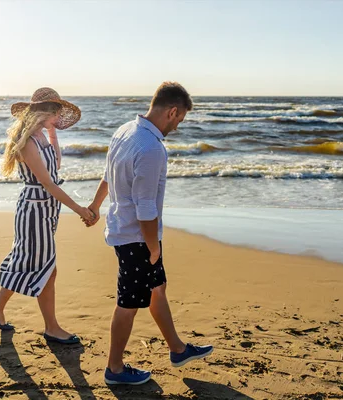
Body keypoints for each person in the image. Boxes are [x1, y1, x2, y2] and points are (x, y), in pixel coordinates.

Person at [86, 82, 213, 385]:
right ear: (172, 111)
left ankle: (178, 349)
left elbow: (108, 174)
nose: (178, 125)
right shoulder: (151, 148)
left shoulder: (125, 130)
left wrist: (94, 206)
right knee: (128, 304)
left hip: (128, 230)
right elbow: (145, 207)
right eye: (179, 119)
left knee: (158, 288)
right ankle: (114, 369)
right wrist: (152, 246)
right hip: (135, 237)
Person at [0, 88, 94, 345]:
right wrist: (79, 209)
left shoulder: (42, 135)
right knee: (47, 269)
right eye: (56, 113)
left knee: (27, 262)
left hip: (45, 210)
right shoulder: (27, 142)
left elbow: (55, 165)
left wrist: (53, 132)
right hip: (35, 210)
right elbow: (49, 184)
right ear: (45, 112)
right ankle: (52, 328)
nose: (59, 117)